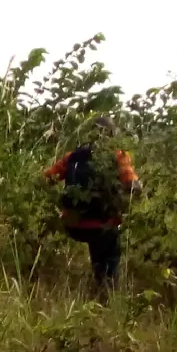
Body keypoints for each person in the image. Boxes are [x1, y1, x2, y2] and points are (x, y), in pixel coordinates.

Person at [43, 118, 142, 288]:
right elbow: (133, 187)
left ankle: (98, 278)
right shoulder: (118, 156)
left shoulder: (71, 157)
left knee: (96, 242)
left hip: (73, 225)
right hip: (102, 225)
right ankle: (107, 292)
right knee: (109, 248)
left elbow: (46, 180)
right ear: (111, 135)